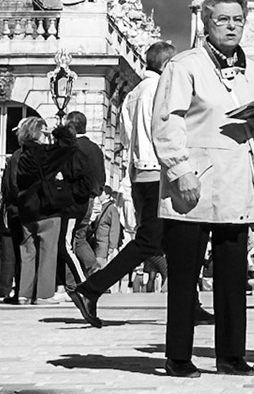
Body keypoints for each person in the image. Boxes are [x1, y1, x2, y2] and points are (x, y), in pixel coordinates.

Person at [153, 0, 254, 377]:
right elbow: (166, 122)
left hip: (237, 184)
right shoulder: (185, 66)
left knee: (232, 276)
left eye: (237, 20)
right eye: (222, 19)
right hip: (194, 182)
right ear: (207, 22)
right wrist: (179, 170)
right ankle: (177, 355)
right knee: (185, 275)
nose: (231, 27)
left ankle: (230, 354)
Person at [71, 40, 176, 327]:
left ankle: (188, 303)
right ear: (167, 65)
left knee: (174, 240)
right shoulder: (161, 91)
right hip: (158, 173)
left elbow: (126, 139)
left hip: (140, 173)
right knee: (149, 241)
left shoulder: (134, 93)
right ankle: (90, 290)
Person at [10, 116, 84, 304]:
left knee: (27, 251)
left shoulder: (20, 155)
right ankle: (43, 294)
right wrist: (59, 132)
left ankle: (23, 294)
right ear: (38, 132)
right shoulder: (44, 152)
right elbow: (70, 147)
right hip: (47, 206)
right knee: (48, 250)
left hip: (27, 207)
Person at [59, 111, 106, 290]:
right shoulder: (95, 148)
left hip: (74, 198)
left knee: (68, 241)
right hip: (92, 198)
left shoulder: (73, 147)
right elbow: (102, 175)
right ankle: (93, 273)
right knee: (79, 237)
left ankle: (74, 282)